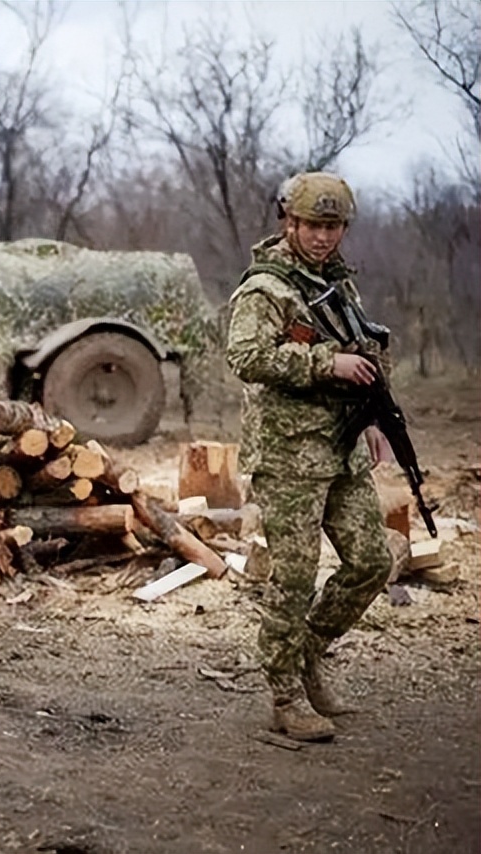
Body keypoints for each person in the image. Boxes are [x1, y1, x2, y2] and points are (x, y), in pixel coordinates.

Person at [227, 171, 393, 742]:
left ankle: (308, 654)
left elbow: (365, 350)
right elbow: (245, 356)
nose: (323, 237)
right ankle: (285, 694)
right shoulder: (266, 288)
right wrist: (326, 363)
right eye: (313, 226)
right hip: (288, 455)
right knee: (295, 577)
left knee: (371, 562)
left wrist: (375, 417)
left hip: (342, 447)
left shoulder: (338, 283)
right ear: (289, 222)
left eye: (333, 226)